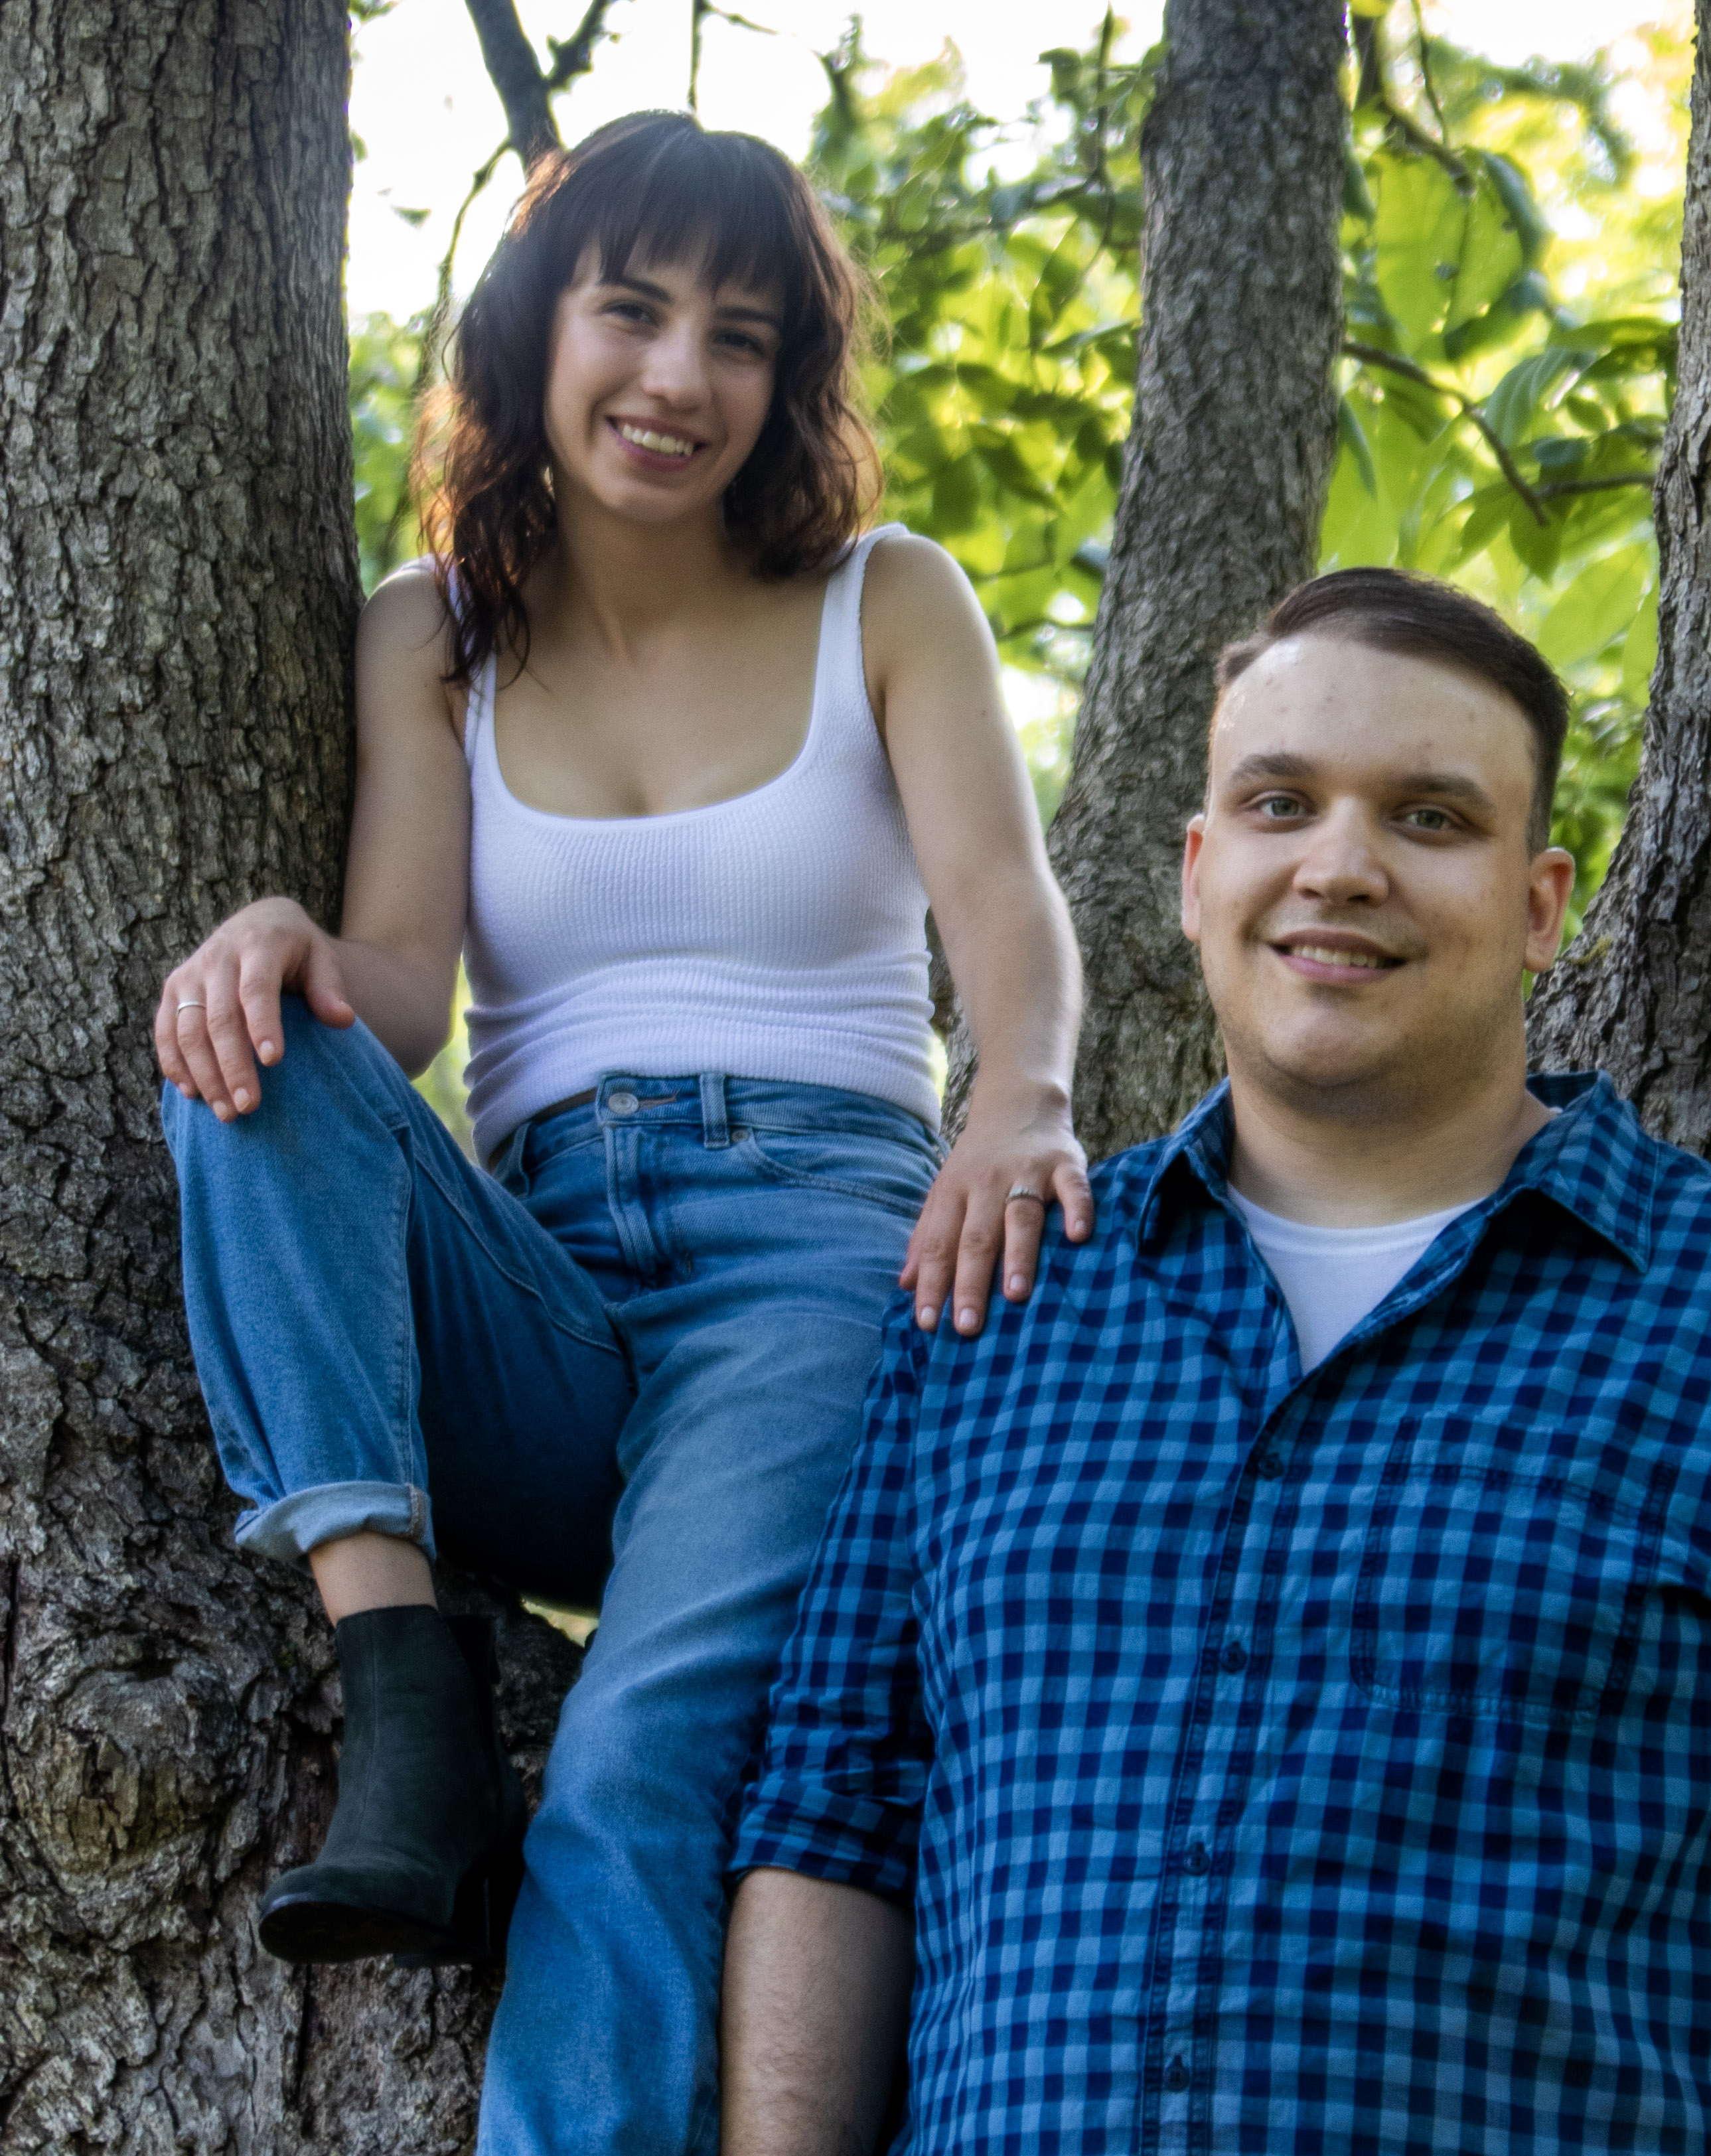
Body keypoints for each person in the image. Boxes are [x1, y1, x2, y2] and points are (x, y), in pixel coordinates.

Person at [721, 567, 1711, 2155]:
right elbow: (834, 1809)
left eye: (1429, 818)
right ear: (1200, 871)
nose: (1340, 867)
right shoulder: (995, 1302)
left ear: (1542, 904)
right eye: (1281, 804)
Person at [155, 113, 1088, 2156]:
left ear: (787, 382)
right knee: (249, 1047)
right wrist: (282, 942)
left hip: (811, 1270)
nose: (679, 377)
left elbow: (1009, 922)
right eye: (634, 310)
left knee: (636, 1764)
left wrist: (1018, 1096)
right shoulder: (433, 629)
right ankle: (401, 1690)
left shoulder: (884, 601)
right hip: (546, 1283)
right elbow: (402, 989)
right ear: (536, 328)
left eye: (739, 338)